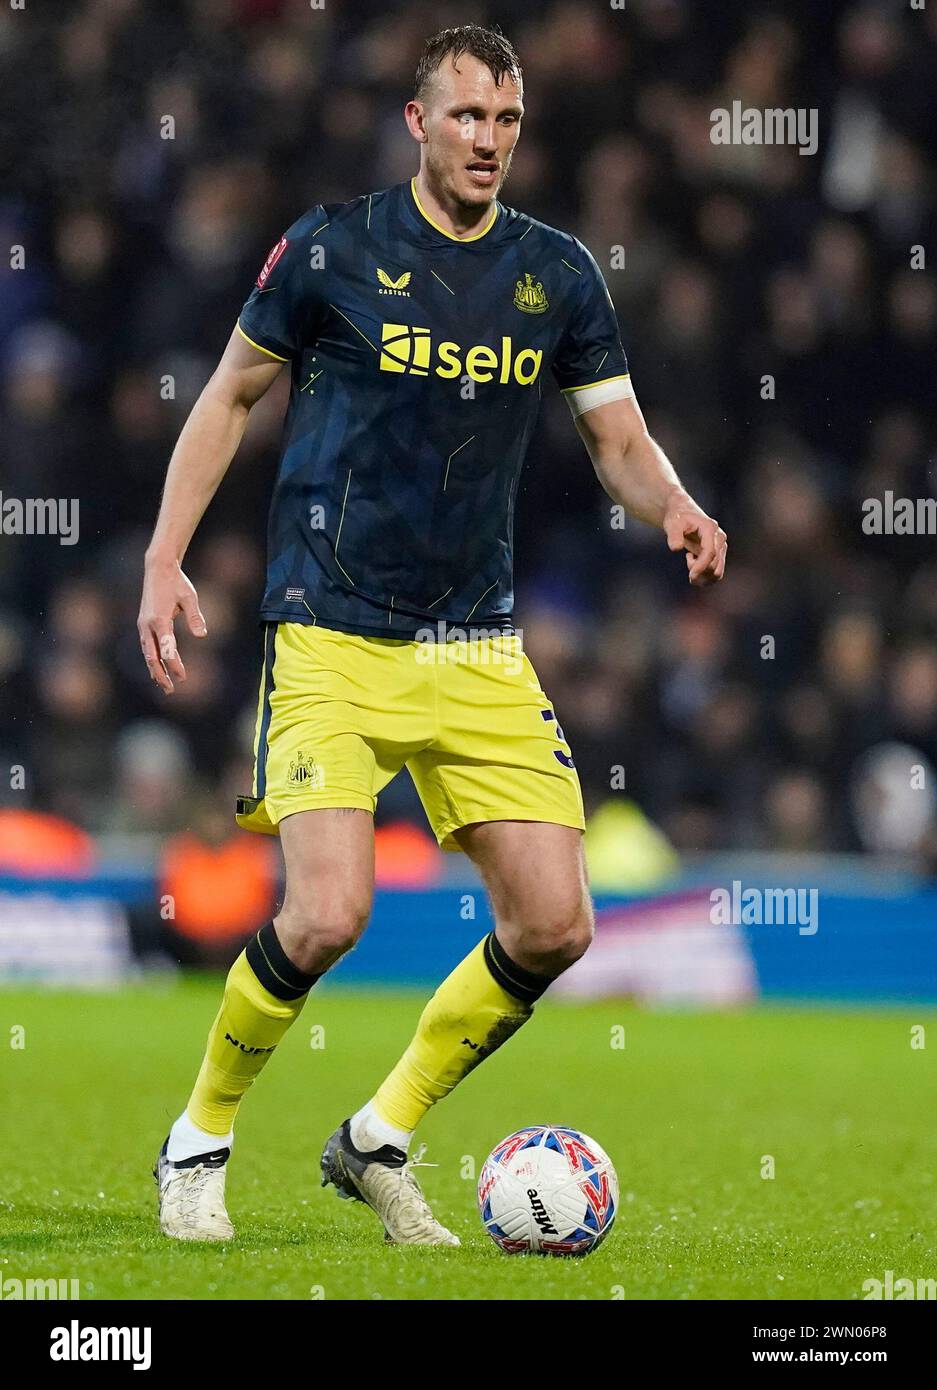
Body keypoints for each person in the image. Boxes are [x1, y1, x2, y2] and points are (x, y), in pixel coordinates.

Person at [138, 24, 727, 1246]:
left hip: (474, 643)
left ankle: (377, 1136)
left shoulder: (557, 274)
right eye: (466, 118)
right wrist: (163, 555)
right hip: (332, 625)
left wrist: (670, 500)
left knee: (557, 922)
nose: (489, 142)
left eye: (507, 123)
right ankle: (197, 1140)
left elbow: (615, 441)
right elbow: (230, 396)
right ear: (418, 122)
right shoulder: (330, 247)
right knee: (325, 916)